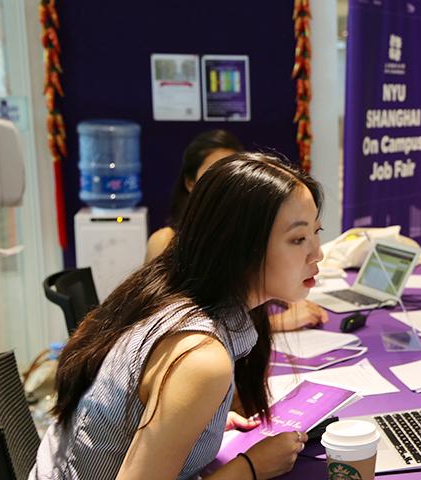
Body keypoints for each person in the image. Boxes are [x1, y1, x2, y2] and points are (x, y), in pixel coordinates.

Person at [31, 153, 324, 479]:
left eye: (316, 232)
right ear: (239, 247)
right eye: (298, 239)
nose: (317, 252)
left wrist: (198, 425)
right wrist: (251, 468)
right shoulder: (199, 356)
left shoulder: (173, 293)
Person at [146, 129, 326, 332]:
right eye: (298, 239)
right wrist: (281, 321)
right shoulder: (167, 242)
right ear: (190, 183)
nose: (231, 185)